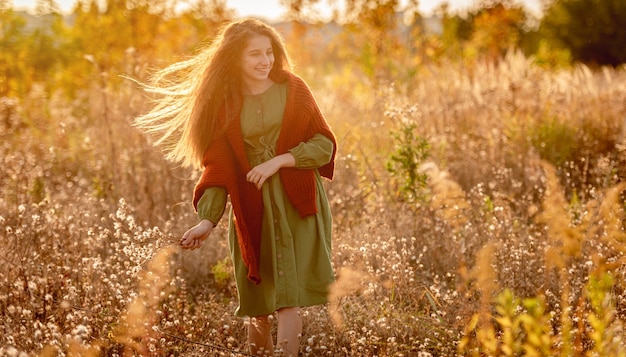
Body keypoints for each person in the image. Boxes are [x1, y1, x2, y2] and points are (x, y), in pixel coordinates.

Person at [134, 18, 337, 356]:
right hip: (251, 209)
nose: (265, 61)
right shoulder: (224, 107)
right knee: (258, 308)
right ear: (235, 60)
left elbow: (323, 144)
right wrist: (206, 220)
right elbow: (220, 169)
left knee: (289, 302)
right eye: (254, 54)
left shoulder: (293, 89)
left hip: (296, 206)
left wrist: (278, 161)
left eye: (269, 52)